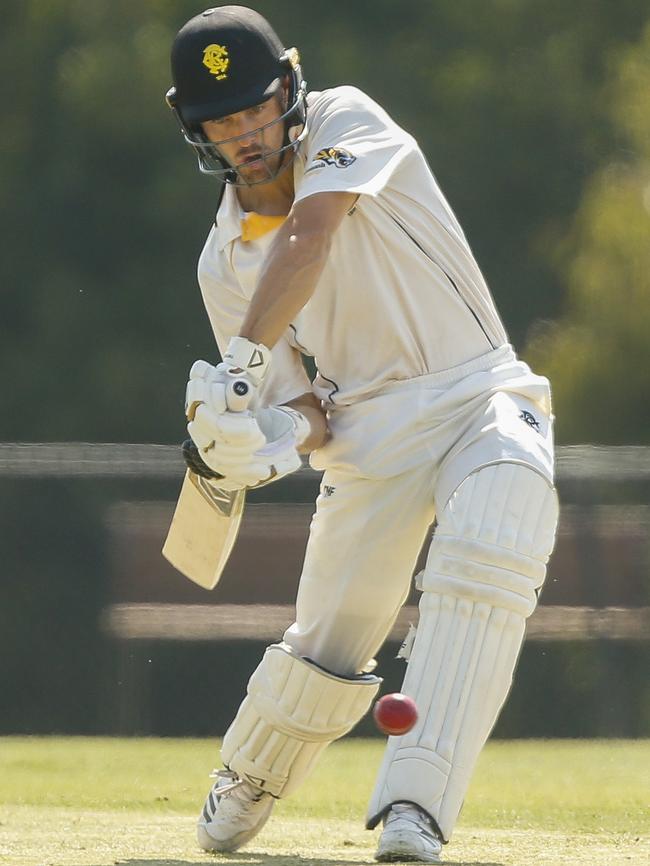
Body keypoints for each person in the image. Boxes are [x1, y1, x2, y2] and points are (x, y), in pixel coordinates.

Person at [166, 6, 559, 863]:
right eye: (222, 121)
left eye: (256, 108)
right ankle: (247, 776)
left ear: (289, 92)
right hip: (368, 445)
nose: (246, 134)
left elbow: (312, 231)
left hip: (475, 389)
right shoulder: (223, 263)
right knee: (329, 646)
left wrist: (238, 363)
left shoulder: (349, 119)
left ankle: (416, 805)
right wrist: (261, 437)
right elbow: (309, 410)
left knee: (496, 539)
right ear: (198, 131)